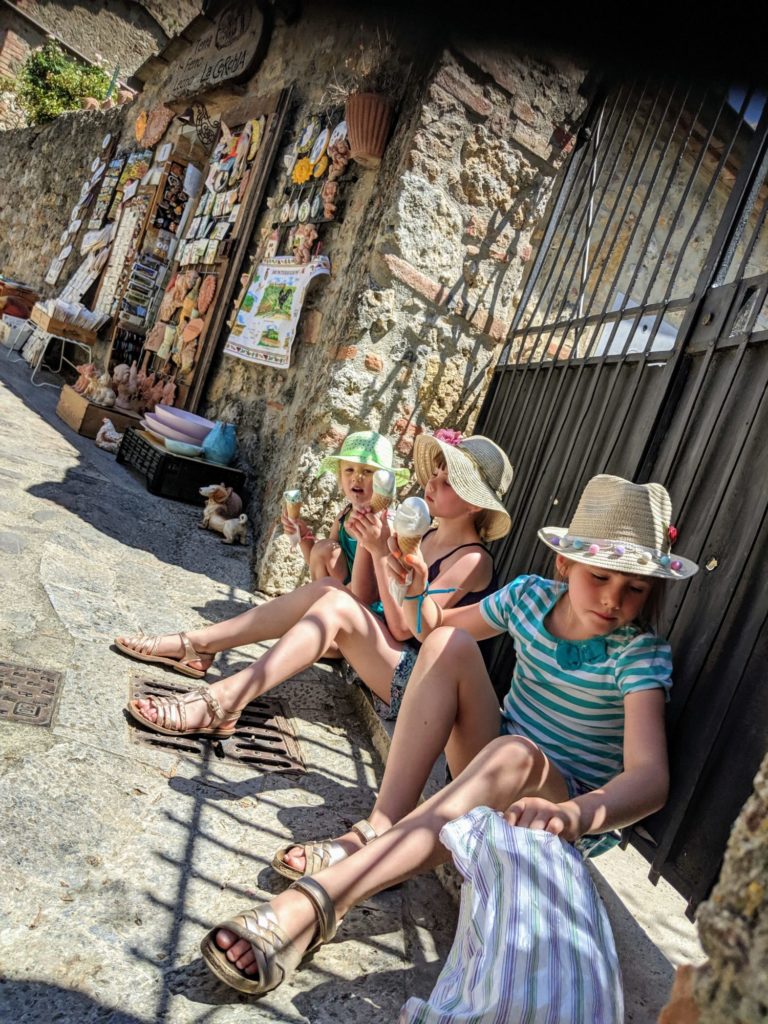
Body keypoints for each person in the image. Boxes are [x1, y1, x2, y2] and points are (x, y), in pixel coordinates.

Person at [198, 473, 699, 996]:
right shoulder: (530, 598)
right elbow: (435, 628)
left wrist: (575, 815)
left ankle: (322, 900)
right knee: (449, 645)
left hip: (559, 804)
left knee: (514, 751)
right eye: (600, 576)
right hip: (492, 762)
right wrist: (416, 591)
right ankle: (379, 828)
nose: (614, 599)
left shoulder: (638, 654)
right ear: (564, 564)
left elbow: (650, 778)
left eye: (635, 588)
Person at [118, 431, 515, 765]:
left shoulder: (472, 560)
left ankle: (224, 700)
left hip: (420, 687)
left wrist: (379, 550)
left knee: (336, 603)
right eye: (437, 473)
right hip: (389, 656)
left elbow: (406, 629)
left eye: (448, 482)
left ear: (473, 503)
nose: (432, 483)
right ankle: (200, 645)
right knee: (330, 591)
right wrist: (368, 543)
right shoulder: (425, 535)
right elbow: (365, 596)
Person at [114, 429, 405, 677]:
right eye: (349, 470)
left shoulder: (382, 526)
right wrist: (302, 534)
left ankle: (201, 646)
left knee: (290, 620)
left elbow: (363, 599)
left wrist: (368, 541)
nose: (357, 478)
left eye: (368, 472)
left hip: (360, 624)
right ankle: (201, 645)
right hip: (336, 603)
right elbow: (323, 572)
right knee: (324, 549)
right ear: (339, 476)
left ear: (385, 482)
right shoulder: (344, 515)